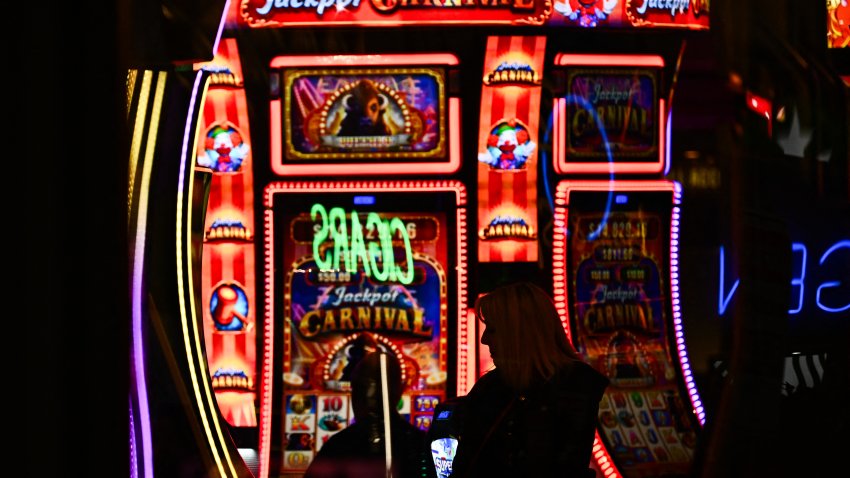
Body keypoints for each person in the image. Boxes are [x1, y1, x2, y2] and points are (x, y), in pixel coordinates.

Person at [449, 282, 609, 478]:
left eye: (492, 329)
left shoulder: (574, 386)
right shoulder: (491, 385)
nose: (484, 339)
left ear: (516, 332)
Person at [305, 350, 434, 478]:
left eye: (376, 391)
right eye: (360, 389)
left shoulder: (338, 447)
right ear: (399, 391)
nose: (367, 398)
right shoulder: (421, 444)